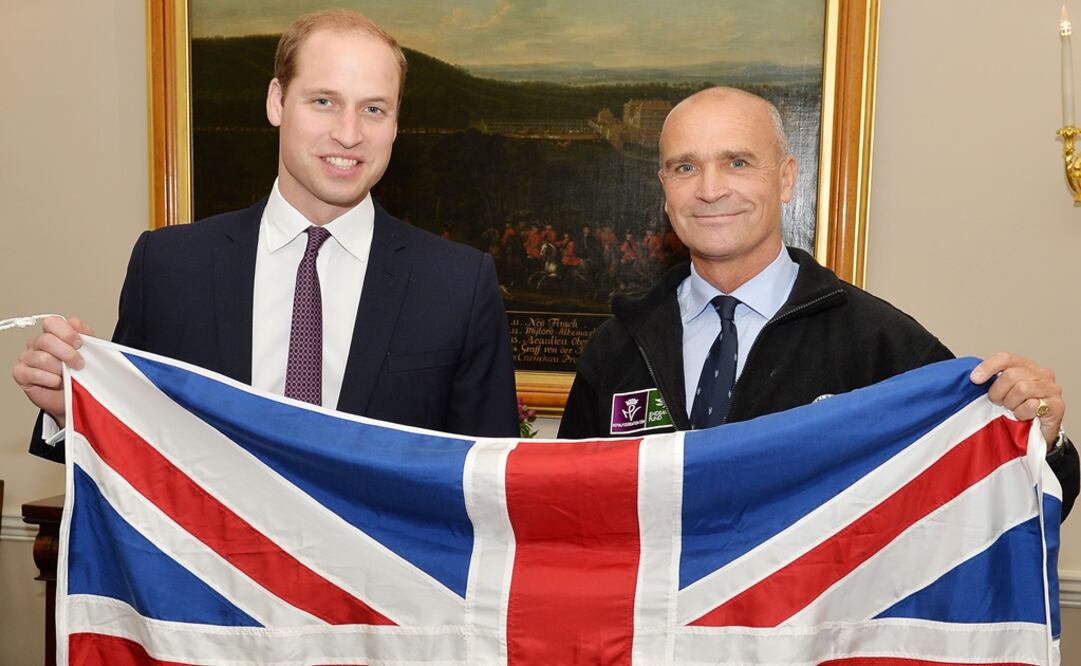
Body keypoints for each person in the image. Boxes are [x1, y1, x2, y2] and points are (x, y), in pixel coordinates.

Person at [13, 9, 519, 462]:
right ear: (277, 102)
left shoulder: (458, 285)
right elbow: (136, 455)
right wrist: (69, 409)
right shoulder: (170, 267)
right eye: (324, 101)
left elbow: (485, 487)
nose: (349, 134)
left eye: (373, 109)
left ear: (394, 123)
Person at [557, 87, 1079, 516]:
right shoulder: (618, 347)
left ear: (786, 179)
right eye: (685, 167)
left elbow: (989, 498)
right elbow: (565, 509)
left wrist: (1045, 443)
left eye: (737, 162)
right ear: (664, 186)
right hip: (651, 636)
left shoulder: (879, 343)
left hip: (810, 640)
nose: (710, 189)